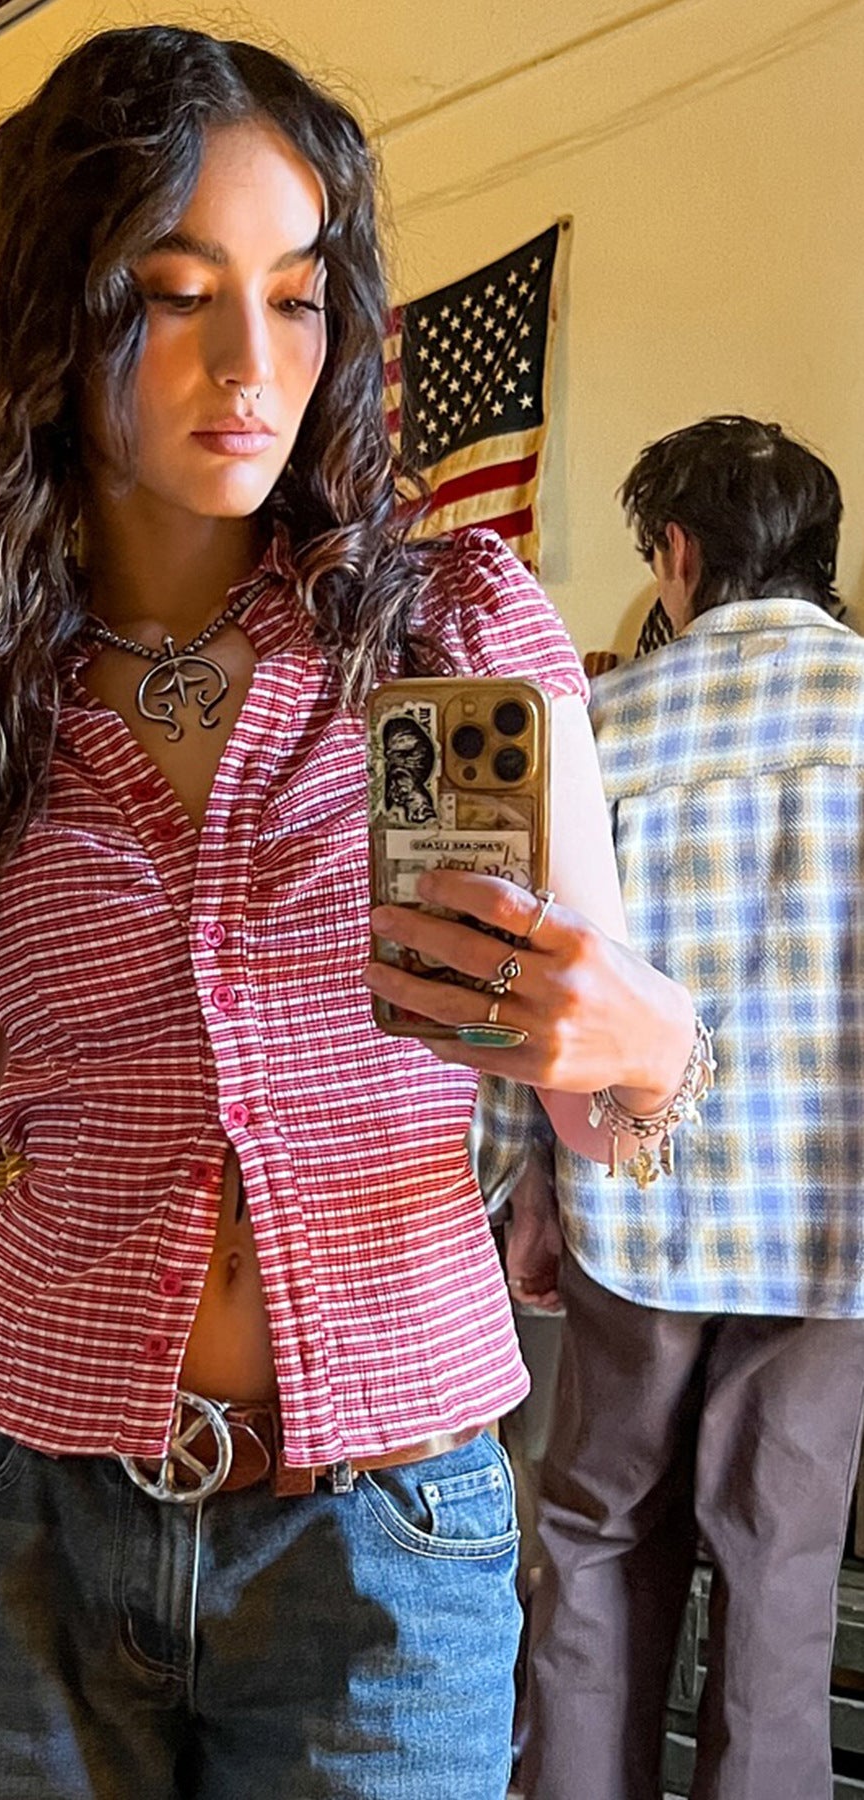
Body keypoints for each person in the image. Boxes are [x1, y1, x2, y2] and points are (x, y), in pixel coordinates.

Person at [0, 28, 703, 1800]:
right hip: (2, 1524)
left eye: (295, 300)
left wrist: (649, 1042)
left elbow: (607, 1114)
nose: (251, 364)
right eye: (173, 294)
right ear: (52, 323)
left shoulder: (453, 625)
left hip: (382, 1542)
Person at [479, 415, 864, 1800]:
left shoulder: (595, 732)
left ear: (680, 555)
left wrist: (518, 1185)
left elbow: (517, 979)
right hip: (833, 1238)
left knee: (591, 1545)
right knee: (779, 1571)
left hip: (628, 1208)